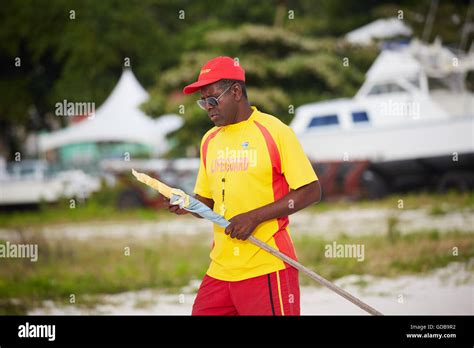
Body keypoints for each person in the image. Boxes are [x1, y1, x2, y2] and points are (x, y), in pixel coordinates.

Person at [166, 56, 321, 315]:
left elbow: (310, 191)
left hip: (267, 265)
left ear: (236, 91)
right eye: (203, 102)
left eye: (212, 99)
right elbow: (207, 203)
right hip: (221, 269)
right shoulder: (209, 140)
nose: (208, 108)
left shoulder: (274, 131)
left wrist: (254, 217)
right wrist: (185, 204)